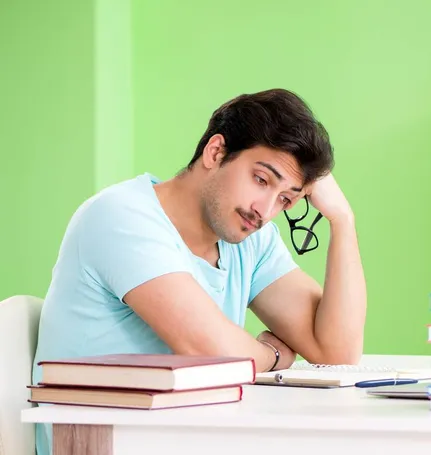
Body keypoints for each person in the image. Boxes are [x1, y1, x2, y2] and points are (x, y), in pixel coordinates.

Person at [31, 88, 367, 455]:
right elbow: (211, 352)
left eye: (286, 199)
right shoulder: (123, 216)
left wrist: (342, 220)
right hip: (100, 444)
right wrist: (272, 354)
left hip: (190, 440)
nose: (266, 210)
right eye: (261, 179)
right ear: (216, 151)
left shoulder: (250, 238)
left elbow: (338, 354)